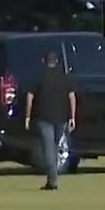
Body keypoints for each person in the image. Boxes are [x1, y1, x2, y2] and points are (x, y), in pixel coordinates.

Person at [25, 49, 77, 191]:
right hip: (61, 118)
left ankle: (52, 180)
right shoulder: (65, 78)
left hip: (44, 118)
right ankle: (52, 179)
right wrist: (72, 117)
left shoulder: (39, 77)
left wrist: (28, 116)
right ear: (57, 62)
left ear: (44, 61)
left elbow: (30, 97)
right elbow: (72, 97)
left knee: (48, 149)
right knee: (54, 147)